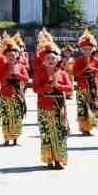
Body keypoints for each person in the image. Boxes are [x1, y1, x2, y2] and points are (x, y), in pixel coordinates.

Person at [33, 36, 73, 169]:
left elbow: (70, 88)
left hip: (59, 108)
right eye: (48, 59)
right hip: (45, 107)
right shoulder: (39, 73)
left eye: (53, 58)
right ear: (43, 61)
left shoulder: (62, 73)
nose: (50, 61)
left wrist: (59, 86)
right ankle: (49, 159)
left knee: (60, 133)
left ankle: (59, 159)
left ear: (58, 60)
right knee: (47, 133)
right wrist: (48, 87)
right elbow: (36, 89)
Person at [72, 29, 98, 135]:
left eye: (89, 49)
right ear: (81, 49)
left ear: (93, 49)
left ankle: (90, 126)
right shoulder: (78, 60)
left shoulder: (96, 60)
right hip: (82, 87)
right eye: (85, 49)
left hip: (93, 87)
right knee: (83, 107)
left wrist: (93, 69)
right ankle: (84, 128)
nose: (87, 51)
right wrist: (85, 68)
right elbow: (75, 73)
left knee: (92, 107)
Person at [0, 34, 29, 146]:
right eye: (9, 55)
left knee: (17, 115)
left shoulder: (21, 67)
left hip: (17, 93)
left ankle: (15, 138)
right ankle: (6, 138)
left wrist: (18, 74)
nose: (11, 57)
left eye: (13, 55)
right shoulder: (2, 66)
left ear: (17, 55)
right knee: (6, 115)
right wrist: (7, 74)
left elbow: (26, 78)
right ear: (5, 56)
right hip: (6, 93)